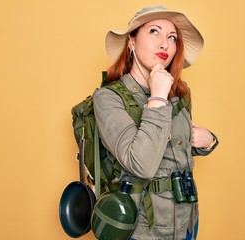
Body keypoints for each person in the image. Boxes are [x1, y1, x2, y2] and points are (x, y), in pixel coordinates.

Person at [93, 5, 218, 240]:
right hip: (142, 229)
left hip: (186, 222)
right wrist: (158, 97)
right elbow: (143, 164)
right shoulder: (108, 98)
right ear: (131, 42)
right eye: (154, 32)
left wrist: (209, 141)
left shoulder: (180, 94)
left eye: (172, 38)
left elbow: (173, 148)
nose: (165, 44)